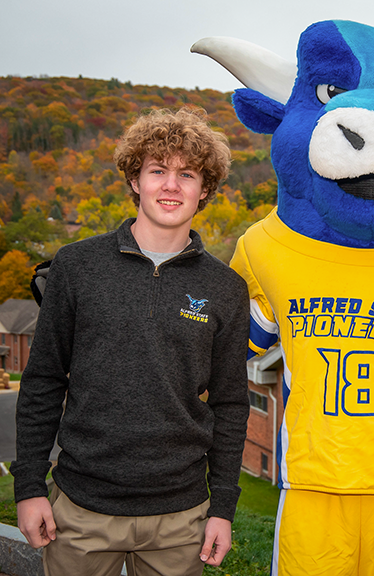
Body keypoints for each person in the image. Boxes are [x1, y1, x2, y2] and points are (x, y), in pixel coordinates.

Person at [11, 107, 250, 576]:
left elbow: (231, 403)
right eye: (157, 170)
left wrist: (222, 506)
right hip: (81, 510)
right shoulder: (78, 266)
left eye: (187, 174)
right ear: (135, 180)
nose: (171, 185)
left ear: (205, 190)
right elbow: (42, 382)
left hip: (181, 517)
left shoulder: (225, 288)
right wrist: (29, 487)